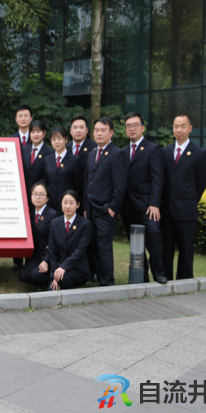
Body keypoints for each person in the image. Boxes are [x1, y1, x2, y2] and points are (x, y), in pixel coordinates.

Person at [161, 114, 206, 280]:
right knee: (166, 249)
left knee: (186, 250)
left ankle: (184, 282)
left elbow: (202, 181)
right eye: (176, 126)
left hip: (186, 210)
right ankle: (165, 281)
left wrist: (190, 199)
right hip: (167, 210)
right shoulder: (165, 152)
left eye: (183, 126)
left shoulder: (200, 153)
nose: (179, 130)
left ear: (190, 128)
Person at [121, 113, 167, 285]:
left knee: (154, 234)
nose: (132, 128)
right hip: (128, 207)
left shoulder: (153, 149)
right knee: (136, 244)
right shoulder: (122, 152)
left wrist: (154, 203)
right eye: (128, 126)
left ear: (143, 127)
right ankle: (142, 277)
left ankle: (159, 273)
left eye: (135, 125)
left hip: (148, 206)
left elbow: (157, 179)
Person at [83, 117, 128, 286]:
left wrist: (113, 208)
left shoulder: (117, 153)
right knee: (92, 244)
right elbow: (88, 182)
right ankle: (97, 276)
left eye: (103, 130)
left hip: (105, 209)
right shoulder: (91, 154)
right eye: (96, 130)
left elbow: (120, 185)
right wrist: (85, 207)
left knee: (104, 246)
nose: (99, 133)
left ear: (111, 132)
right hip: (91, 208)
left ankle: (107, 282)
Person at [14, 120, 54, 271]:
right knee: (21, 229)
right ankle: (18, 261)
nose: (35, 134)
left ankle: (39, 259)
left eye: (39, 131)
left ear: (44, 133)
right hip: (22, 197)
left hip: (39, 198)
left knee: (38, 230)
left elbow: (48, 176)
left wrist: (37, 191)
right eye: (33, 131)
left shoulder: (50, 152)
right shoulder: (22, 149)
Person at [17, 183, 59, 290]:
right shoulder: (30, 215)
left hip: (49, 255)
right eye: (35, 194)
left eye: (41, 194)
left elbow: (54, 242)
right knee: (22, 275)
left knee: (35, 275)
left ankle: (48, 281)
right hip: (37, 256)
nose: (37, 197)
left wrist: (46, 261)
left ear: (47, 198)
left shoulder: (53, 215)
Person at [48, 190, 92, 291]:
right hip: (59, 268)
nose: (67, 206)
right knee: (51, 291)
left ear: (78, 205)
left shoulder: (85, 224)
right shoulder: (54, 223)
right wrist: (54, 275)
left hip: (78, 269)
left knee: (62, 279)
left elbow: (80, 250)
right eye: (65, 202)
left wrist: (63, 267)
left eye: (71, 203)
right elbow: (52, 250)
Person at [45, 126, 82, 215]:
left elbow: (79, 185)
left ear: (66, 139)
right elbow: (46, 181)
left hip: (68, 205)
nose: (56, 142)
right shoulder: (47, 160)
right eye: (53, 139)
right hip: (51, 205)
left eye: (59, 138)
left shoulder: (75, 160)